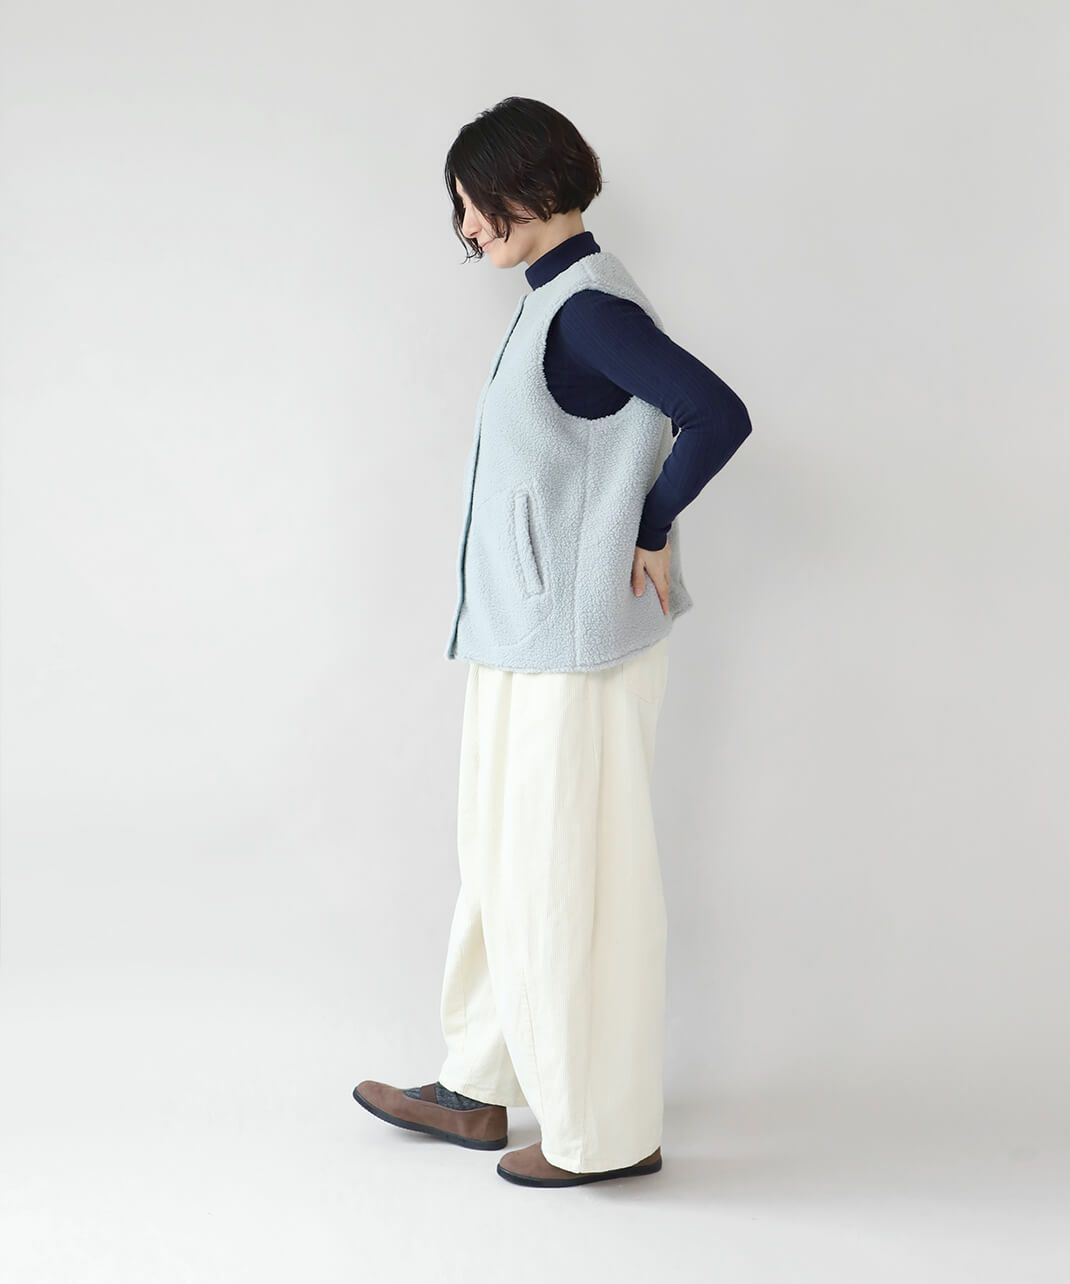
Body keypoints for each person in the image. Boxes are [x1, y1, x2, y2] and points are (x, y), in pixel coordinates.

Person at [353, 96, 752, 1188]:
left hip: (575, 649)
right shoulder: (550, 306)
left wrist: (650, 526)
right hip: (520, 640)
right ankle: (477, 1086)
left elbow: (716, 413)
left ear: (525, 186)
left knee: (569, 879)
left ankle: (602, 1133)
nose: (464, 228)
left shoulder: (589, 310)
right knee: (500, 863)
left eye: (471, 203)